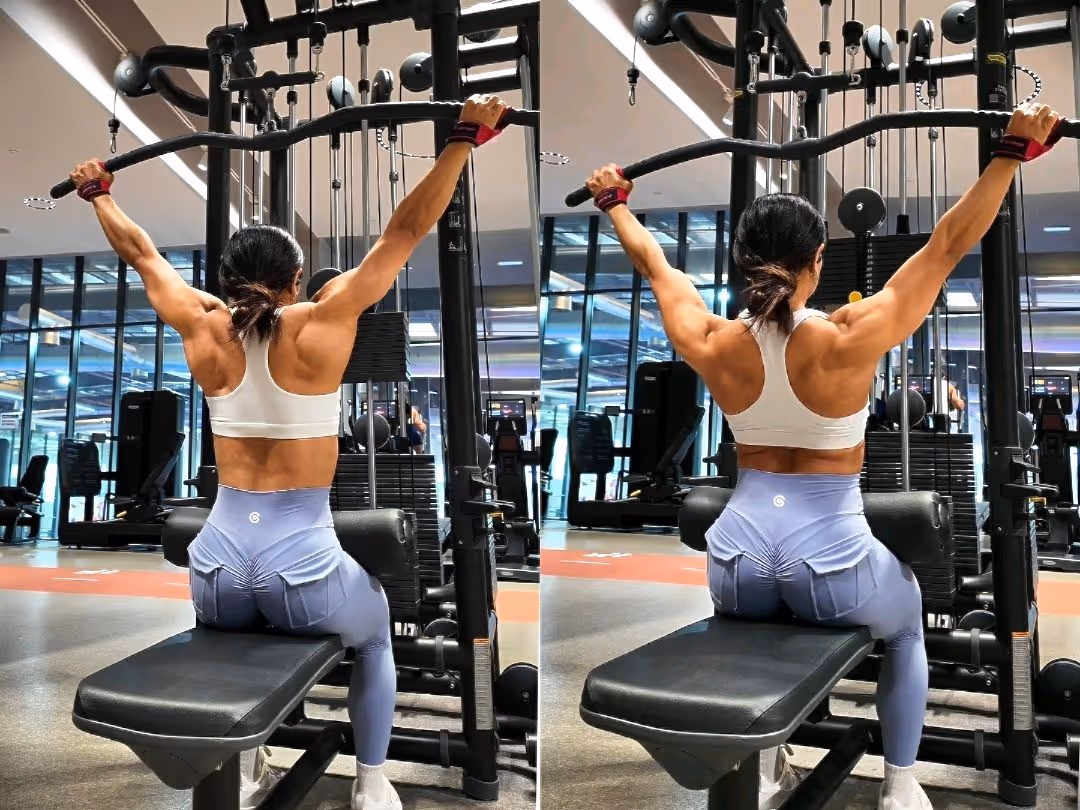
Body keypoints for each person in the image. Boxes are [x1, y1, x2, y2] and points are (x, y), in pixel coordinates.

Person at [584, 103, 1061, 810]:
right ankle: (902, 786)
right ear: (817, 263)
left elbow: (654, 264)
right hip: (832, 559)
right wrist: (1011, 153)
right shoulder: (848, 335)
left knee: (759, 629)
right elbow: (950, 243)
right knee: (904, 627)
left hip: (736, 561)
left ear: (745, 265)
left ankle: (770, 764)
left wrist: (614, 203)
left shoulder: (712, 341)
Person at [68, 93, 510, 810]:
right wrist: (462, 139)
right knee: (374, 637)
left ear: (225, 281)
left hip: (213, 568)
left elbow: (141, 253)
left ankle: (246, 766)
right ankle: (372, 783)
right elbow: (404, 229)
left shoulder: (201, 325)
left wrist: (99, 194)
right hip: (301, 564)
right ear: (297, 281)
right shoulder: (323, 319)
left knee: (237, 637)